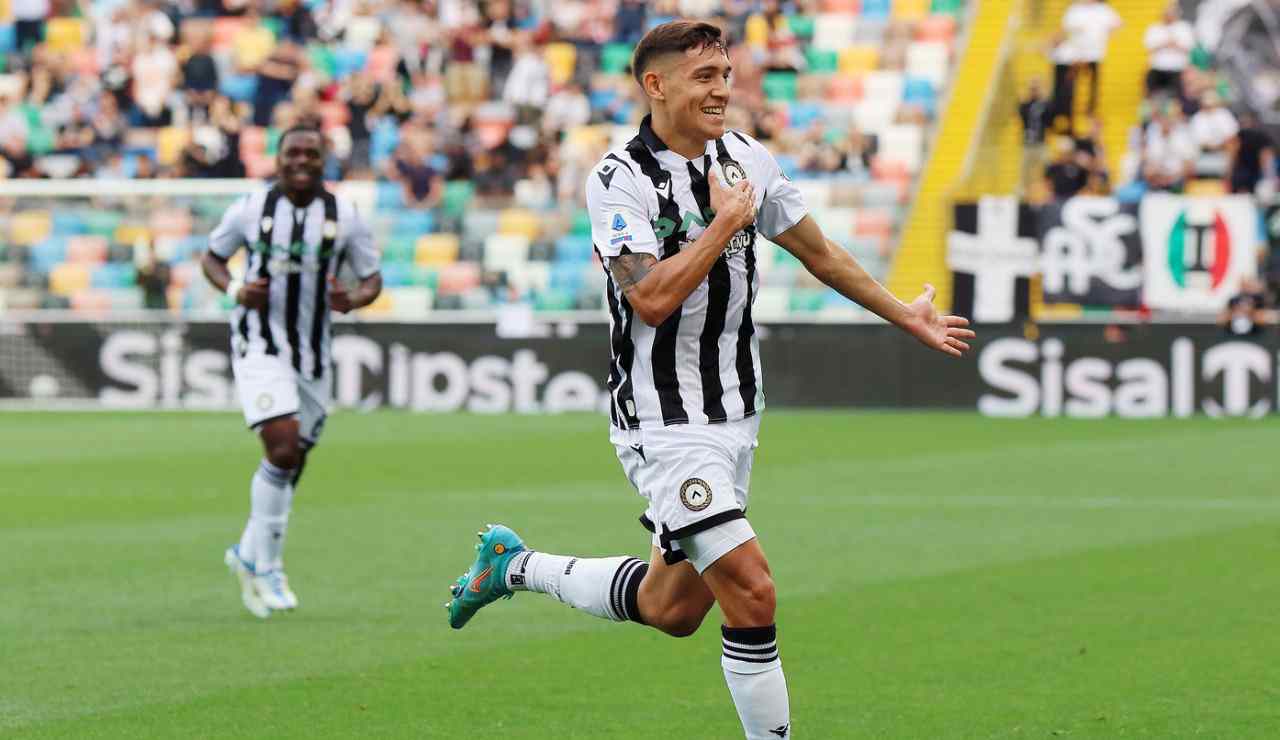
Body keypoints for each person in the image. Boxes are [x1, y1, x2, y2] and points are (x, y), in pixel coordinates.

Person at [441, 21, 974, 740]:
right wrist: (724, 225)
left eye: (725, 74)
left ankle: (513, 567)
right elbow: (650, 299)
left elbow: (819, 252)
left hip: (736, 414)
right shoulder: (619, 179)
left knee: (672, 609)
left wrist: (903, 315)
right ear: (655, 85)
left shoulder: (747, 157)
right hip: (664, 420)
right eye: (704, 77)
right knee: (753, 591)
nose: (722, 89)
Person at [200, 126, 383, 618]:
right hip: (258, 343)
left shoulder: (345, 216)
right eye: (292, 152)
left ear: (324, 161)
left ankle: (247, 551)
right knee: (281, 448)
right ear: (277, 158)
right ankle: (268, 567)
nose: (301, 160)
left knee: (293, 459)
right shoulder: (250, 208)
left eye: (311, 153)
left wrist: (352, 299)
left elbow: (372, 280)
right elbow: (212, 258)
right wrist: (236, 289)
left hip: (313, 353)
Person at [1143, 3, 1194, 99]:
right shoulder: (1154, 28)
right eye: (1167, 12)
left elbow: (1189, 48)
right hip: (1157, 68)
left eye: (1172, 12)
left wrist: (1174, 44)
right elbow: (1149, 48)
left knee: (1178, 98)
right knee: (1153, 97)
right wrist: (1165, 43)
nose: (1169, 15)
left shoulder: (1184, 28)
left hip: (1178, 69)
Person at [1018, 78, 1053, 195]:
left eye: (1036, 89)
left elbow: (1050, 119)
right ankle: (1023, 192)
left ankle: (1050, 190)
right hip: (1028, 144)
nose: (1034, 91)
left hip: (1041, 143)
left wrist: (1044, 101)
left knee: (1048, 167)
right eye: (1032, 89)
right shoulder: (1025, 105)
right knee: (1025, 171)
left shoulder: (1044, 105)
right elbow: (1022, 117)